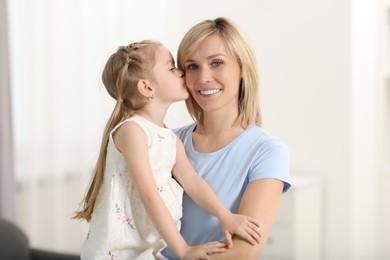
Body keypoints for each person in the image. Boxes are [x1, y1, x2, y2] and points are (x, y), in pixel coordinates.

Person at [73, 40, 263, 260]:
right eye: (172, 68)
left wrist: (226, 217)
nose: (182, 73)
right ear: (147, 87)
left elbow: (192, 181)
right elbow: (149, 194)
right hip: (117, 253)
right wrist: (183, 250)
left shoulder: (169, 137)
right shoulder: (132, 131)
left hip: (147, 252)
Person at [161, 17, 291, 259]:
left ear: (242, 68)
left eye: (217, 63)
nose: (203, 78)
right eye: (192, 66)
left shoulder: (267, 151)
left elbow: (245, 252)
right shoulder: (167, 141)